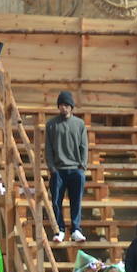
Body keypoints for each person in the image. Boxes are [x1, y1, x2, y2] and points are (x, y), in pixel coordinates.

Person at [46, 91, 87, 243]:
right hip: (58, 170)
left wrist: (82, 166)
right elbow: (48, 148)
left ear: (71, 106)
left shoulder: (80, 124)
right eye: (61, 105)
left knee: (76, 201)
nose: (63, 108)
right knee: (56, 201)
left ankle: (76, 229)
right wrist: (52, 167)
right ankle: (59, 230)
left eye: (66, 105)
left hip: (76, 169)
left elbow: (84, 146)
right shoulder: (51, 124)